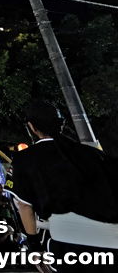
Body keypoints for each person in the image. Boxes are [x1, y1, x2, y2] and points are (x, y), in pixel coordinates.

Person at [12, 101, 118, 272]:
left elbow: (25, 206)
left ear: (32, 127)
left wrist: (35, 247)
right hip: (112, 240)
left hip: (69, 241)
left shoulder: (24, 159)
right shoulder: (92, 154)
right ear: (60, 124)